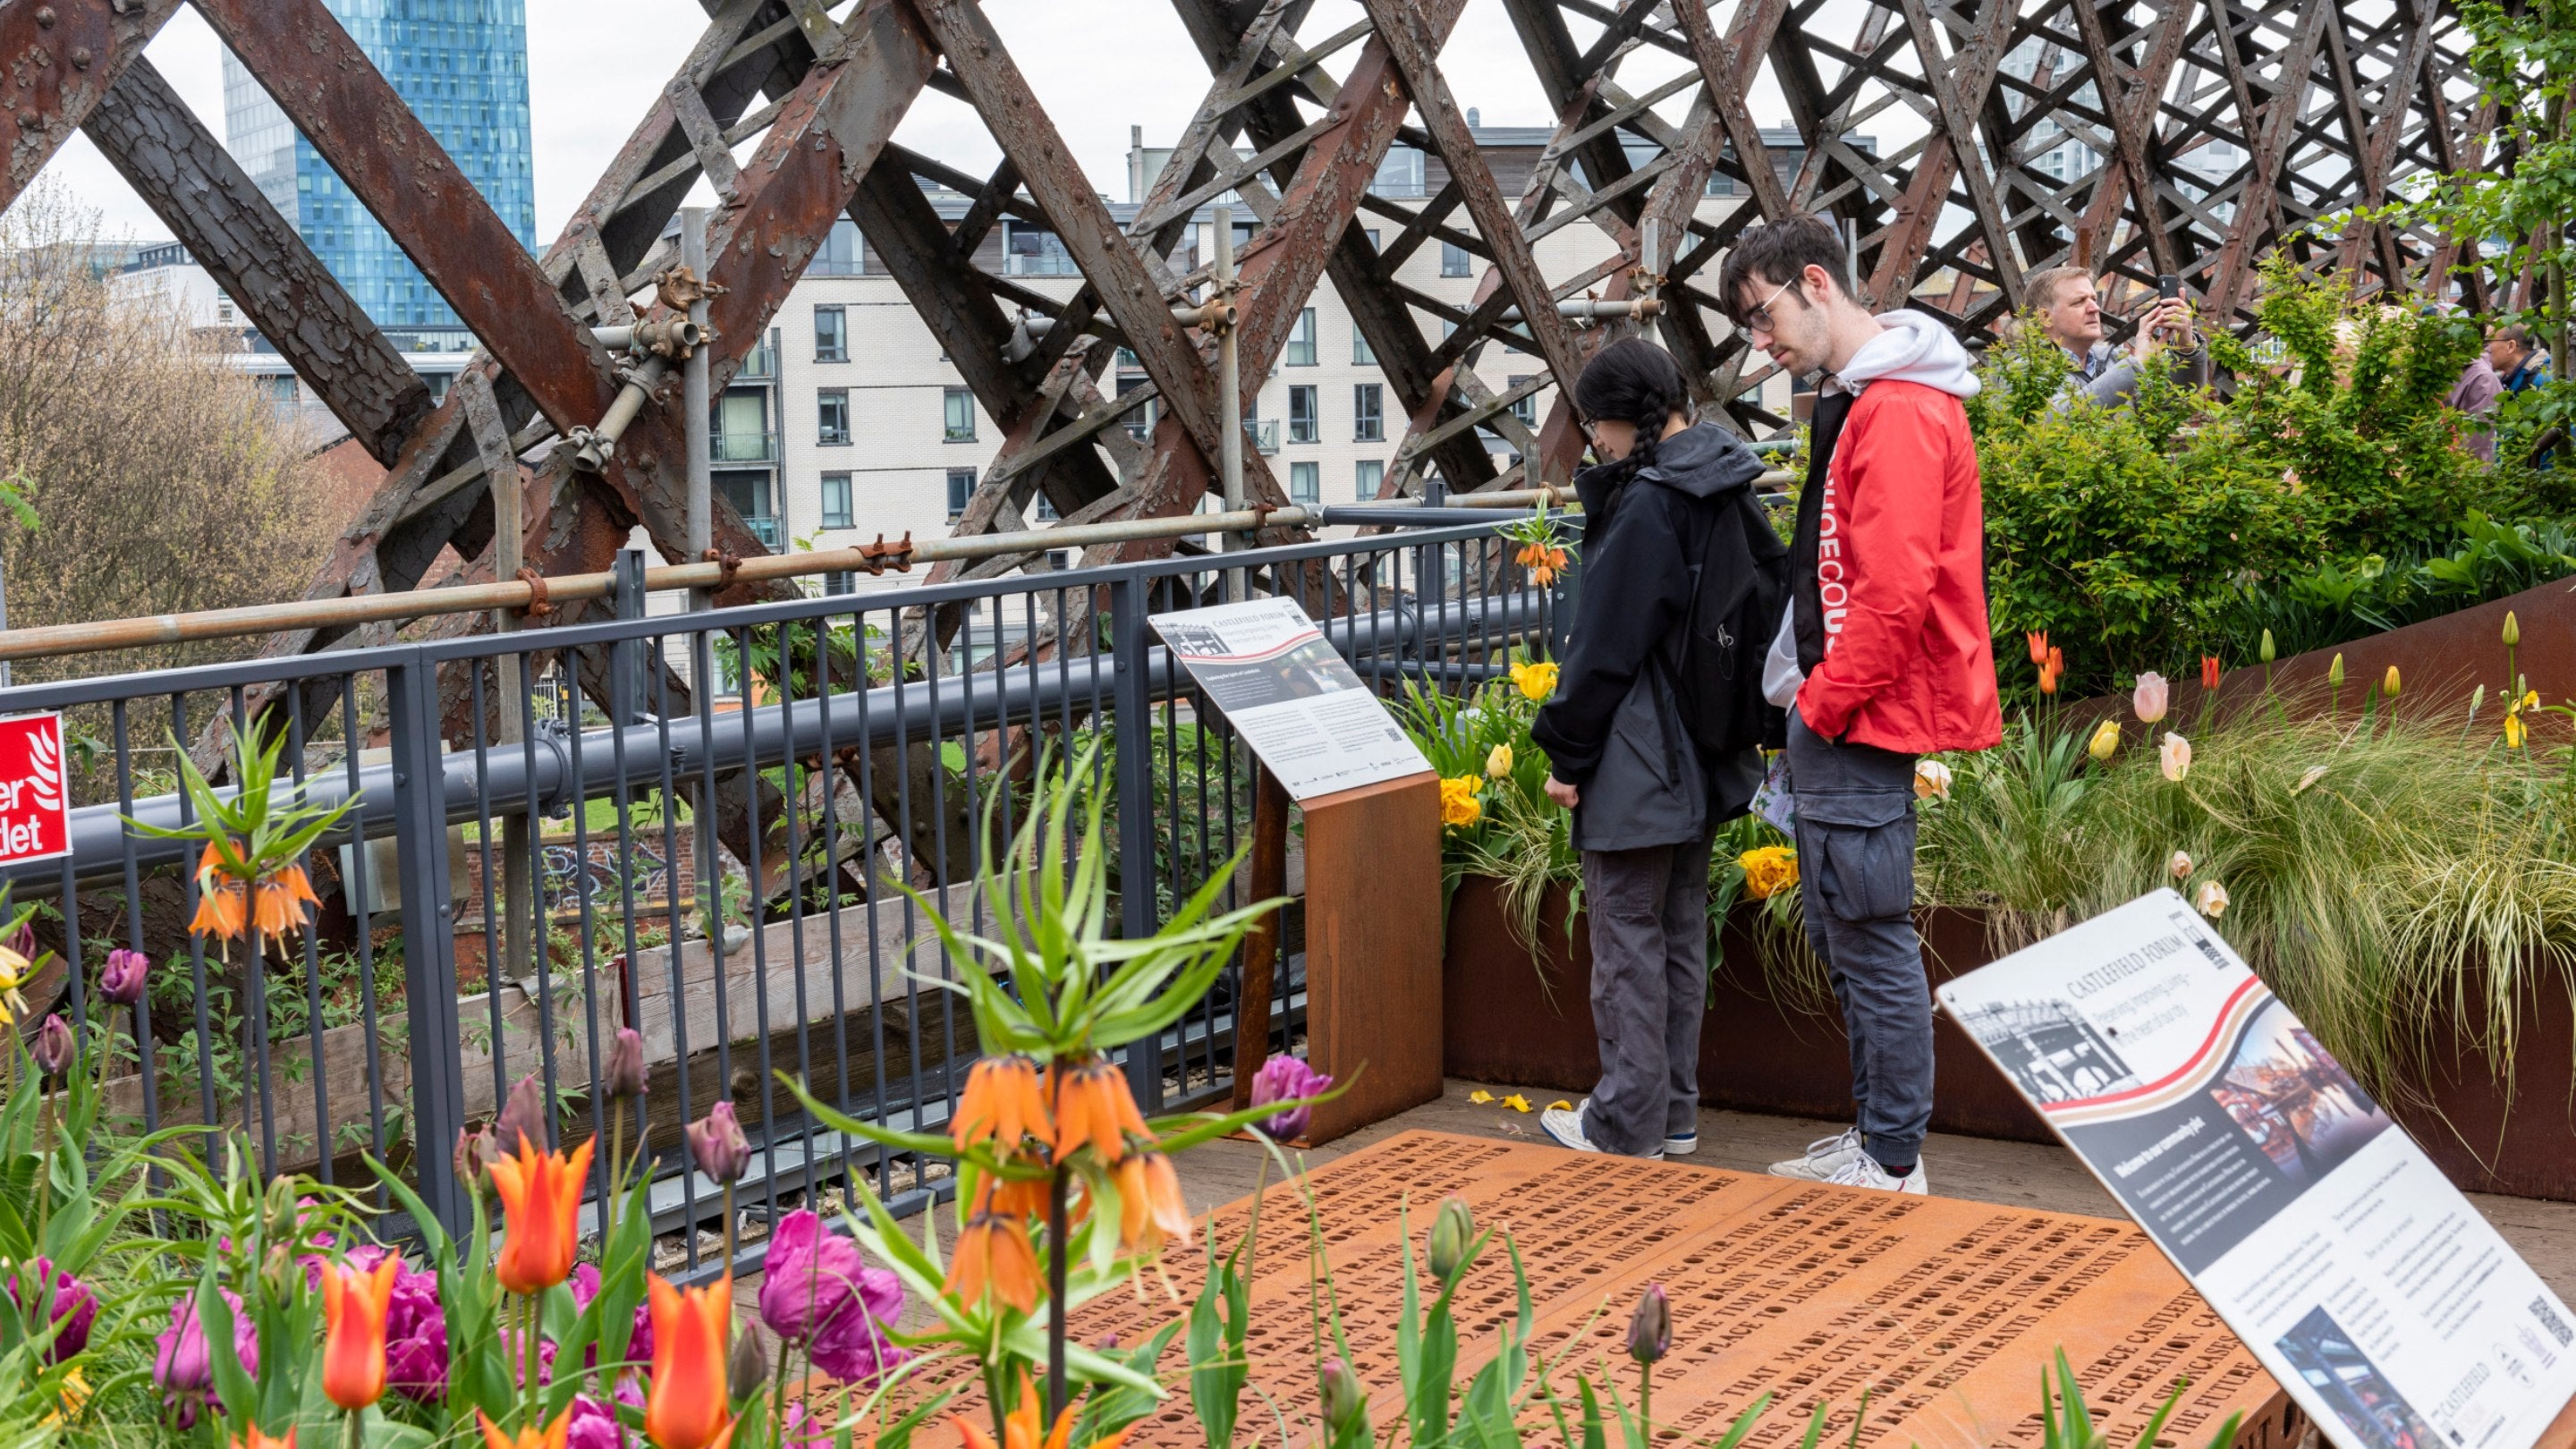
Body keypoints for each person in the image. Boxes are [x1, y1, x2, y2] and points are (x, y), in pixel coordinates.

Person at [1719, 216, 2002, 1194]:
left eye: (1763, 315)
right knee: (1848, 928)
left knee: (1868, 937)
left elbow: (1891, 593)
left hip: (1860, 711)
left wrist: (1823, 707)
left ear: (1815, 282)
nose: (1761, 341)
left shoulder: (1896, 411)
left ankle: (1890, 1157)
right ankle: (1881, 1144)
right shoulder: (1880, 400)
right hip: (1855, 706)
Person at [1532, 339, 1768, 1160]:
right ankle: (1672, 1113)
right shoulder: (1725, 483)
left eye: (1598, 423)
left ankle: (1623, 1121)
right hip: (1705, 753)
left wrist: (1567, 757)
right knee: (1673, 933)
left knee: (1627, 938)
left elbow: (1604, 646)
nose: (1595, 440)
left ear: (1626, 418)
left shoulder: (1647, 504)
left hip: (1639, 757)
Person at [2025, 266, 2207, 408]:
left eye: (2093, 299)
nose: (2094, 308)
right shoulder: (2024, 371)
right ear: (2046, 317)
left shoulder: (2113, 360)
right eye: (2078, 302)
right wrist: (2138, 365)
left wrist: (2186, 347)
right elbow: (2062, 419)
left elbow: (2170, 407)